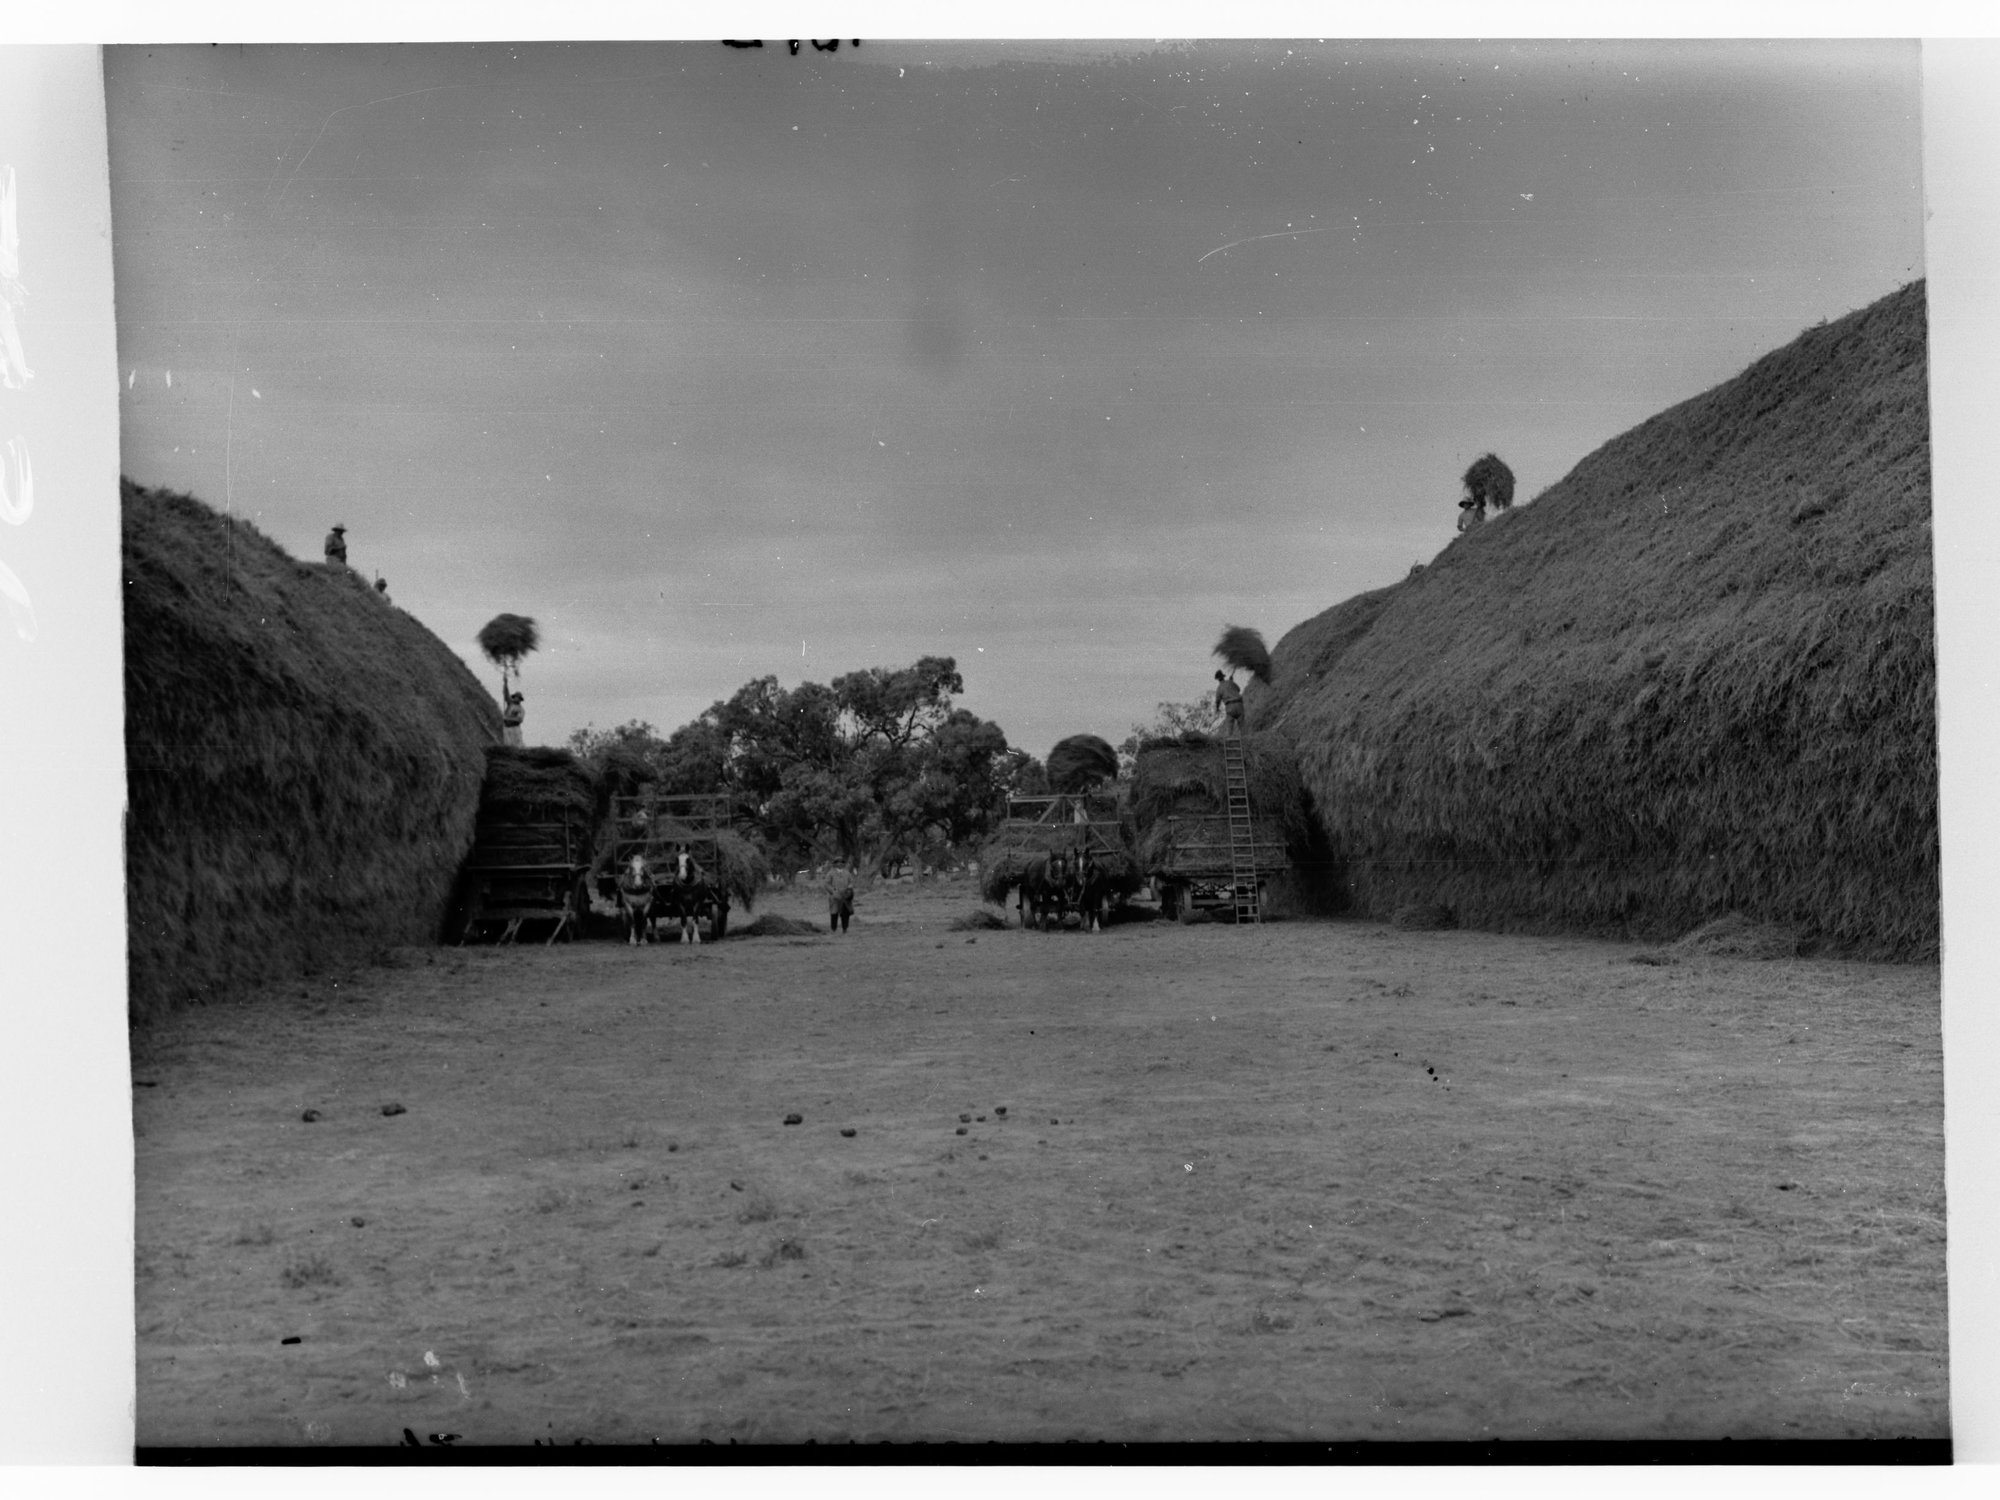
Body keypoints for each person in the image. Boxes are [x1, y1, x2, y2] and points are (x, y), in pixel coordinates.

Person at [1214, 669, 1245, 735]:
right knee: (1242, 726)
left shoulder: (1219, 688)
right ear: (1223, 677)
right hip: (1239, 704)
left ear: (1218, 679)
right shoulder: (1230, 682)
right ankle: (1244, 741)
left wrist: (1217, 709)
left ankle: (1229, 741)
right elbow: (1238, 689)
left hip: (1229, 706)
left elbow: (1217, 701)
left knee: (1229, 728)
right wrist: (1231, 682)